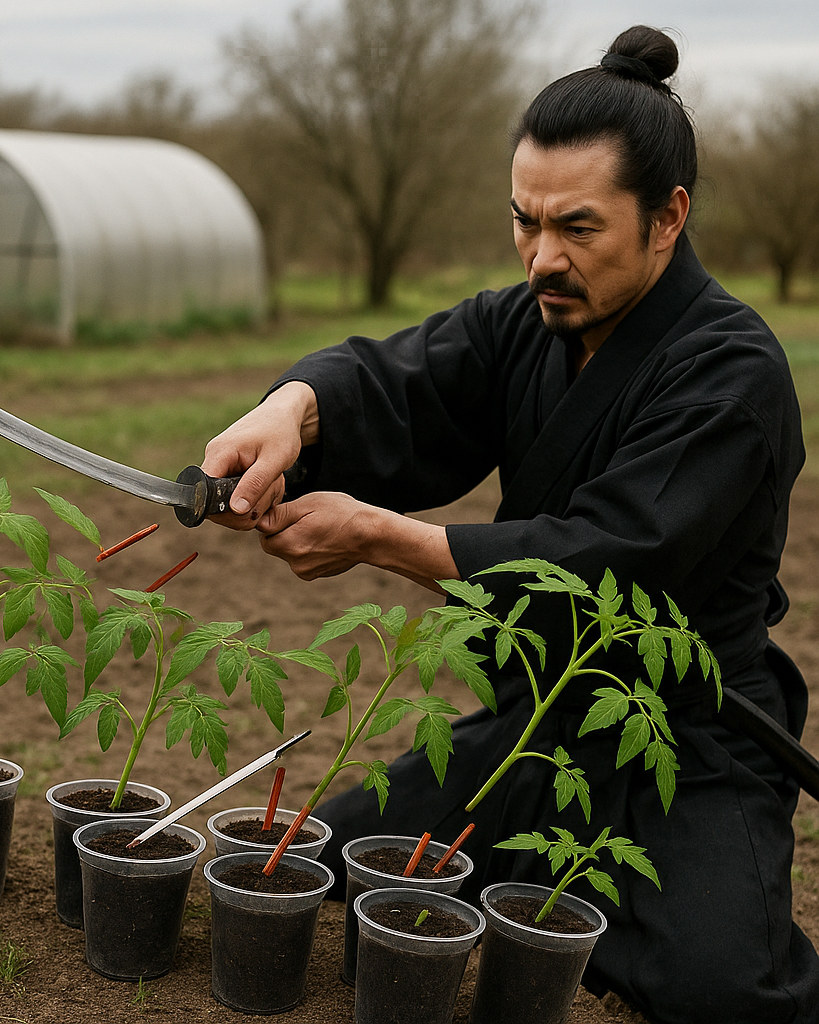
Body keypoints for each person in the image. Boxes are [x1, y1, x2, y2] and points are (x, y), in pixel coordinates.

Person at [200, 25, 819, 1024]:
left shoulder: (730, 372)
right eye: (523, 223)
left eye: (577, 228)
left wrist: (376, 537)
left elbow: (611, 559)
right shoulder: (527, 321)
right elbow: (401, 379)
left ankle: (629, 906)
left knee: (724, 994)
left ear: (668, 217)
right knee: (334, 857)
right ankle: (561, 895)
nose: (542, 258)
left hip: (685, 739)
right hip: (541, 721)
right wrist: (290, 412)